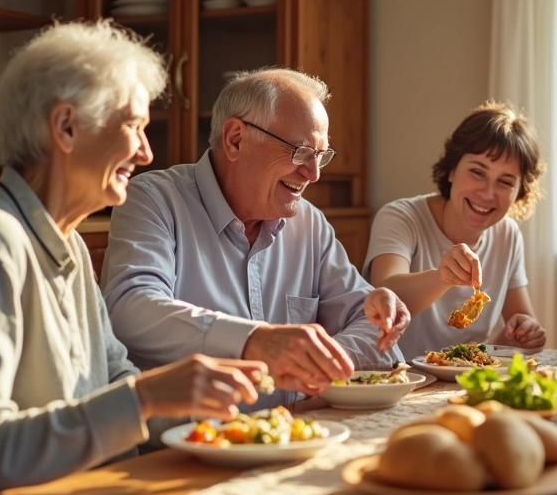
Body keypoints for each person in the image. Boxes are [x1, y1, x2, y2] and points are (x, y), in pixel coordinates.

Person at [0, 20, 266, 495]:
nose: (146, 151)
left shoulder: (64, 241)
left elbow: (112, 380)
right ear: (65, 126)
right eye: (133, 126)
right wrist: (145, 398)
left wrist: (229, 424)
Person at [100, 68, 409, 406]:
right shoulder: (154, 199)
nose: (313, 174)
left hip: (296, 428)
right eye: (301, 151)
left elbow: (372, 323)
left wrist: (313, 360)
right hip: (192, 434)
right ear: (235, 139)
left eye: (320, 156)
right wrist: (254, 341)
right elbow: (130, 309)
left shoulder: (309, 223)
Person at [363, 101, 547, 357]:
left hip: (467, 375)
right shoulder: (400, 217)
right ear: (451, 169)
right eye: (477, 172)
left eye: (505, 182)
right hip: (397, 372)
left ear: (519, 192)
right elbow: (386, 295)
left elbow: (519, 325)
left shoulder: (508, 234)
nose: (487, 193)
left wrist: (525, 333)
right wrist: (442, 278)